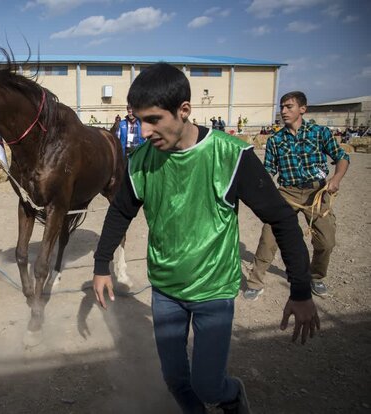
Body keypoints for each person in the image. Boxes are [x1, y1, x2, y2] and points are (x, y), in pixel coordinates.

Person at [91, 63, 320, 414]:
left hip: (213, 290)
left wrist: (301, 290)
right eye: (138, 120)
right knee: (176, 382)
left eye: (153, 119)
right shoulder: (140, 161)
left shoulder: (230, 155)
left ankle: (233, 396)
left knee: (208, 384)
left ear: (184, 110)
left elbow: (282, 219)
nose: (144, 130)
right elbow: (121, 211)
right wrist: (101, 265)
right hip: (166, 290)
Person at [243, 91, 350, 300]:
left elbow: (342, 157)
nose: (283, 111)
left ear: (302, 109)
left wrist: (335, 180)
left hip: (317, 192)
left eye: (289, 106)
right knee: (269, 237)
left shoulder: (320, 133)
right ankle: (255, 282)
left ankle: (316, 277)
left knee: (326, 241)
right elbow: (269, 171)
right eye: (281, 107)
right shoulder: (276, 140)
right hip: (287, 192)